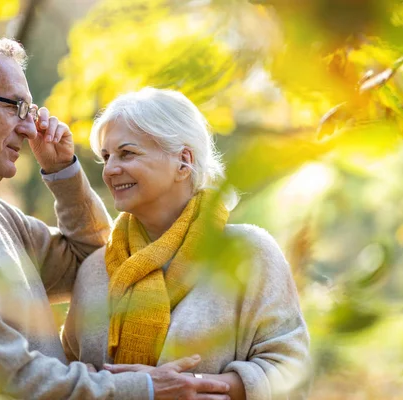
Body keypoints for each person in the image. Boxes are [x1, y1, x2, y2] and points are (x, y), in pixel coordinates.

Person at [0, 29, 229, 400]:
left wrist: (63, 172)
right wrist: (146, 388)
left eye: (29, 110)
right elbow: (6, 379)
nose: (29, 128)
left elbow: (92, 257)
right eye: (15, 106)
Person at [63, 87, 311, 399]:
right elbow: (67, 377)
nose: (110, 169)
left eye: (127, 153)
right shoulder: (95, 270)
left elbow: (291, 371)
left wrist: (192, 388)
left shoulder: (250, 254)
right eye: (106, 157)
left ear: (183, 161)